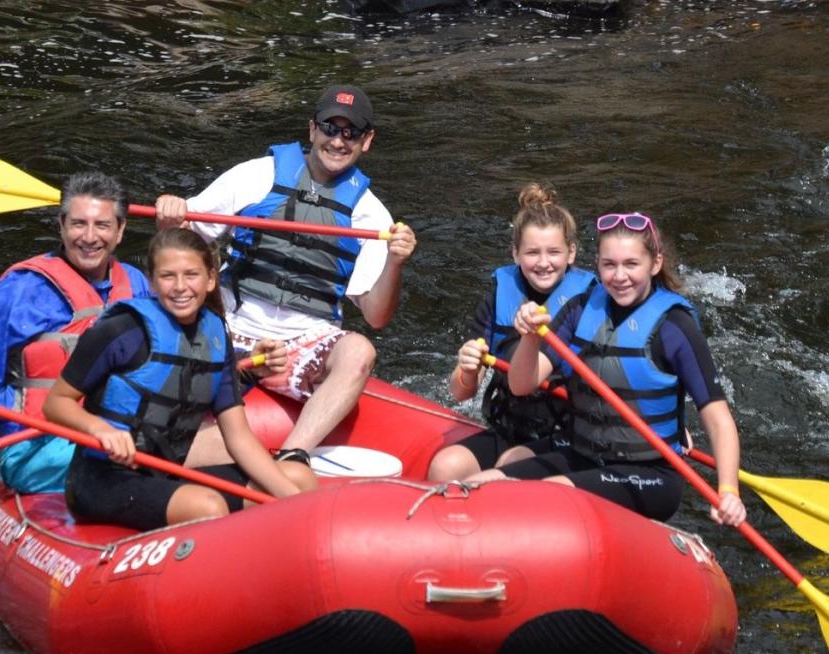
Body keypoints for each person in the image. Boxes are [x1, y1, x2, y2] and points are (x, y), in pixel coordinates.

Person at [153, 83, 418, 467]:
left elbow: (376, 316)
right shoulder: (256, 176)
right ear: (312, 129)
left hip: (304, 341)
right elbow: (182, 245)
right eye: (330, 128)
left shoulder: (370, 215)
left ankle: (293, 457)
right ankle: (169, 446)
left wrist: (396, 263)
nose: (338, 141)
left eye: (351, 133)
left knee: (360, 350)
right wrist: (171, 216)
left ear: (367, 140)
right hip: (232, 325)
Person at [466, 211, 747, 528]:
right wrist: (530, 338)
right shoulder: (581, 308)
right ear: (597, 265)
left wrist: (728, 491)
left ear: (654, 264)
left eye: (631, 264)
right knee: (481, 486)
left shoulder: (675, 326)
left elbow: (717, 417)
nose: (619, 276)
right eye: (609, 265)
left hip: (649, 472)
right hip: (581, 452)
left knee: (543, 497)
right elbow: (520, 385)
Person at [42, 228, 318, 530]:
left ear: (211, 279)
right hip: (102, 478)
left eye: (191, 275)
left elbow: (238, 437)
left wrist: (294, 500)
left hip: (167, 473)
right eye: (168, 276)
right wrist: (100, 429)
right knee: (208, 506)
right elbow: (55, 404)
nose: (180, 287)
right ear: (152, 281)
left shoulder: (215, 337)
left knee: (298, 477)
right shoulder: (122, 330)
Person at [0, 171, 152, 493]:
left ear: (120, 231)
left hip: (122, 432)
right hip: (36, 444)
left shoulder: (136, 285)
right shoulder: (21, 292)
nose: (89, 237)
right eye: (78, 224)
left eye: (102, 225)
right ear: (61, 226)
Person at [427, 183, 597, 482]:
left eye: (553, 252)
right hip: (509, 428)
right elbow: (461, 391)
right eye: (532, 252)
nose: (543, 263)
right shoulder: (499, 293)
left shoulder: (590, 303)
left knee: (509, 463)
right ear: (515, 254)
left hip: (568, 436)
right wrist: (468, 368)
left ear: (571, 253)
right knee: (446, 465)